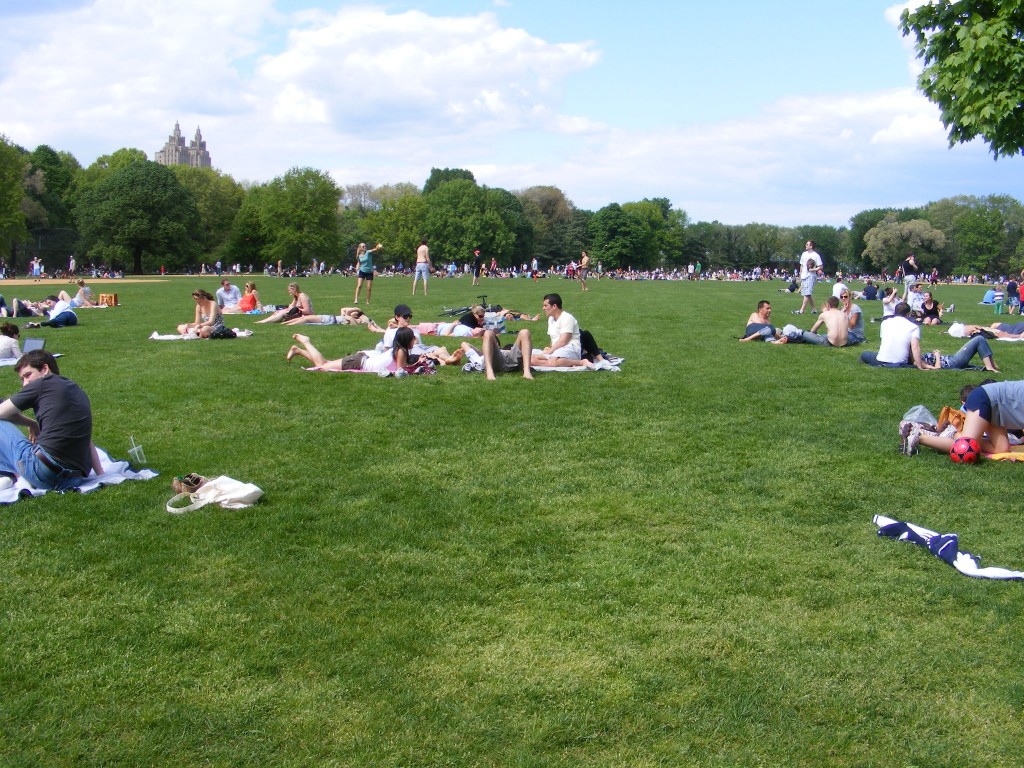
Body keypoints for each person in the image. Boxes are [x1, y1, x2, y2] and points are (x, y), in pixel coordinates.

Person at [0, 349, 103, 490]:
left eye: (27, 375)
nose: (25, 383)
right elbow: (87, 440)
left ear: (45, 368)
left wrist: (31, 423)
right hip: (73, 479)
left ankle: (6, 475)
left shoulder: (41, 384)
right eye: (22, 379)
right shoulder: (75, 389)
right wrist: (101, 474)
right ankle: (10, 475)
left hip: (44, 473)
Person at [902, 381, 1024, 456]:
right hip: (985, 399)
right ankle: (918, 436)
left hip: (997, 408)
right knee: (966, 447)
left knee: (1001, 448)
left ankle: (954, 434)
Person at [530, 293, 594, 369]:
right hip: (556, 350)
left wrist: (549, 352)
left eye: (545, 305)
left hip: (570, 347)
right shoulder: (551, 319)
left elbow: (563, 341)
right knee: (530, 359)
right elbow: (553, 338)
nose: (543, 308)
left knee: (552, 361)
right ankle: (564, 363)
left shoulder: (567, 318)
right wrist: (550, 349)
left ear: (554, 306)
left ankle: (581, 362)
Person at [860, 302, 923, 367]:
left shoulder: (885, 322)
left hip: (881, 359)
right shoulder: (913, 327)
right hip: (900, 361)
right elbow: (915, 347)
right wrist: (919, 365)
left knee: (865, 354)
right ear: (908, 314)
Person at [462, 328, 534, 380]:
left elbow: (464, 344)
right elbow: (464, 344)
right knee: (488, 333)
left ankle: (527, 372)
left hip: (512, 359)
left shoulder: (503, 349)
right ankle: (489, 372)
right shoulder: (486, 355)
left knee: (525, 332)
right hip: (496, 362)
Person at [793, 241, 823, 315]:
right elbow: (802, 265)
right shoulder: (804, 254)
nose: (805, 245)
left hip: (811, 276)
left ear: (811, 246)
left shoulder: (816, 255)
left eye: (807, 244)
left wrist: (813, 270)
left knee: (807, 293)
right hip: (804, 276)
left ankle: (801, 310)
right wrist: (800, 275)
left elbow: (821, 266)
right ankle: (814, 309)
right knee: (808, 293)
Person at [284, 306, 373, 326]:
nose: (352, 312)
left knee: (306, 319)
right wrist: (355, 309)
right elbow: (343, 309)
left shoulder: (351, 319)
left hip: (329, 319)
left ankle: (288, 324)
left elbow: (348, 312)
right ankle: (286, 323)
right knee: (305, 319)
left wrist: (356, 310)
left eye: (355, 313)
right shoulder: (347, 317)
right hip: (329, 318)